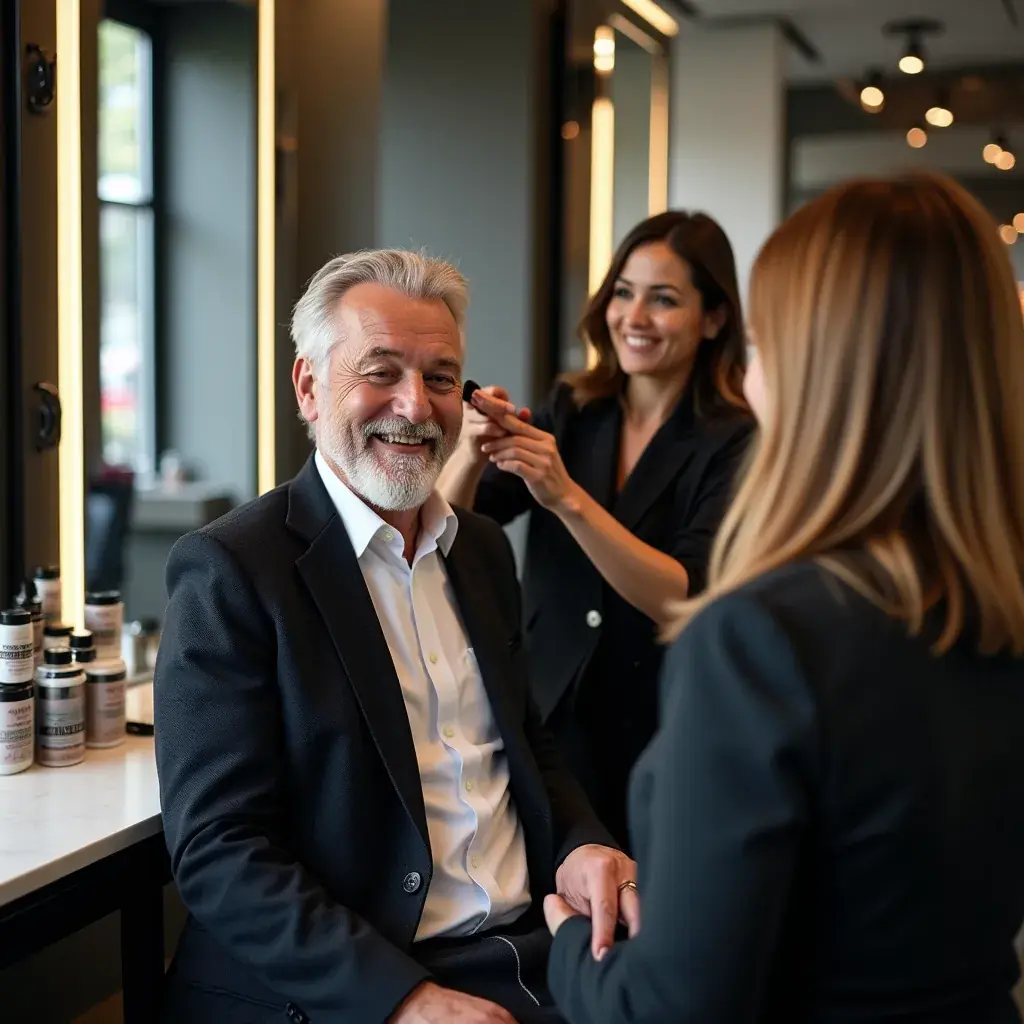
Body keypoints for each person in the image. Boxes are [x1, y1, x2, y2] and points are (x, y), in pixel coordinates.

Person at [543, 172, 1024, 1023]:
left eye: (762, 349)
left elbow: (671, 1010)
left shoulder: (764, 641)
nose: (750, 384)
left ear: (821, 374)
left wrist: (568, 948)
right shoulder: (997, 603)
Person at [154, 250, 638, 1024]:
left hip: (534, 946)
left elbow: (526, 747)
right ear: (310, 388)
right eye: (381, 372)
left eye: (441, 378)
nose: (415, 407)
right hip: (368, 975)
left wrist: (581, 844)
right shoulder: (231, 570)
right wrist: (402, 999)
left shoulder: (479, 549)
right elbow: (220, 851)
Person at [438, 212, 753, 845]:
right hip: (539, 715)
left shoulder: (735, 441)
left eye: (663, 300)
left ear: (714, 318)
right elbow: (449, 531)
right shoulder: (574, 408)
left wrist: (567, 498)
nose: (634, 317)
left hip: (659, 725)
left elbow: (684, 594)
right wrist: (470, 451)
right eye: (624, 292)